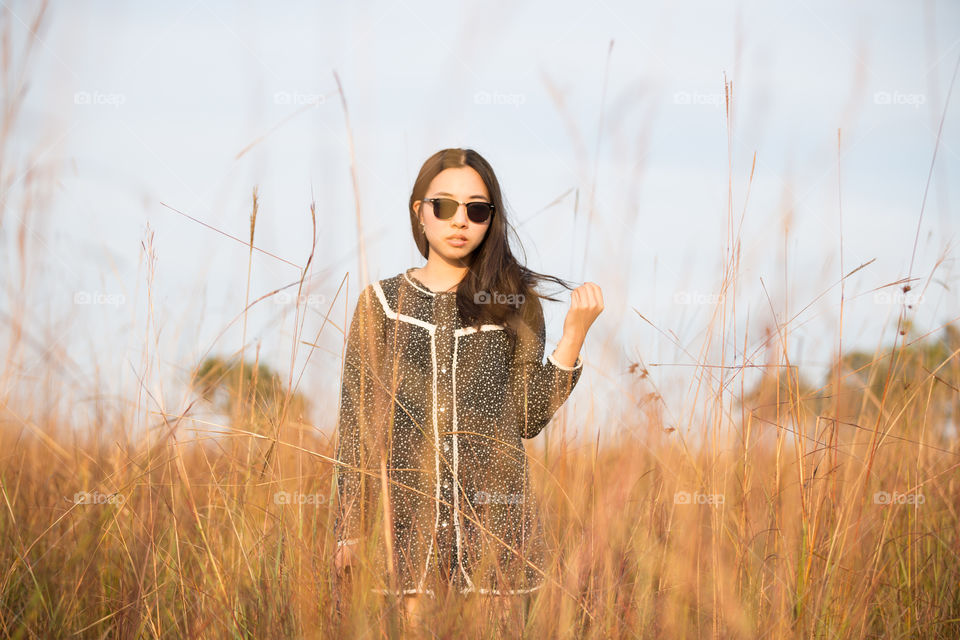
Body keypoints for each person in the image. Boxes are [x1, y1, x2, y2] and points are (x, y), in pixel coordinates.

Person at [332, 147, 603, 630]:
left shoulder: (514, 302)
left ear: (490, 220)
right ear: (419, 211)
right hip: (402, 527)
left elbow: (526, 417)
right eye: (444, 206)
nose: (460, 220)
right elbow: (357, 424)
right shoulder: (380, 304)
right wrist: (349, 529)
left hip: (494, 525)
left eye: (477, 209)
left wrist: (574, 336)